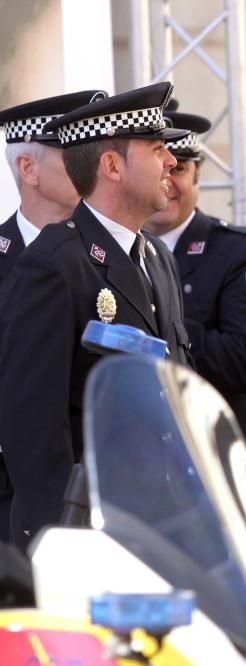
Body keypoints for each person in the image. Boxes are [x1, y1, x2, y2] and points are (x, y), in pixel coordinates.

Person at [0, 82, 192, 550]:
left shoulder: (158, 259)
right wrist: (66, 545)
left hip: (159, 531)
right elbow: (35, 429)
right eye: (156, 149)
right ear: (111, 166)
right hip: (91, 536)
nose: (171, 161)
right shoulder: (54, 263)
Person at [144, 101, 246, 465]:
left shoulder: (239, 254)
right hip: (138, 462)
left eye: (180, 168)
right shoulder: (115, 252)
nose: (168, 181)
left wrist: (160, 331)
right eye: (158, 166)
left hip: (215, 463)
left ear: (197, 177)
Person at [0, 89, 105, 542]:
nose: (91, 160)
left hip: (86, 498)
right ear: (28, 169)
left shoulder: (108, 258)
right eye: (72, 149)